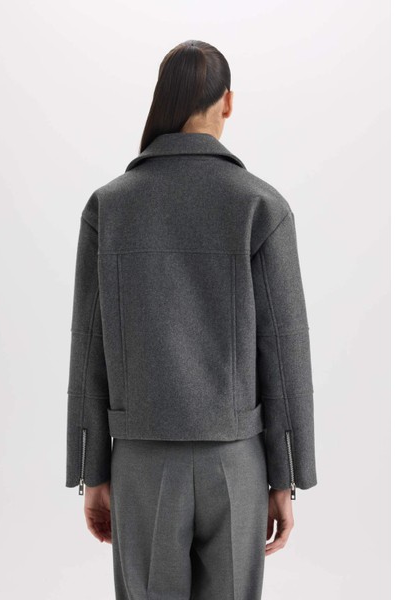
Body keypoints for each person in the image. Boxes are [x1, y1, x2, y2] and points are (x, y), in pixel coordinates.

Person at [65, 39, 318, 599]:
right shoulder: (261, 205)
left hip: (140, 464)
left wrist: (92, 469)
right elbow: (285, 349)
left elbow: (89, 346)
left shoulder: (109, 206)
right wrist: (286, 476)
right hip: (236, 462)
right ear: (227, 102)